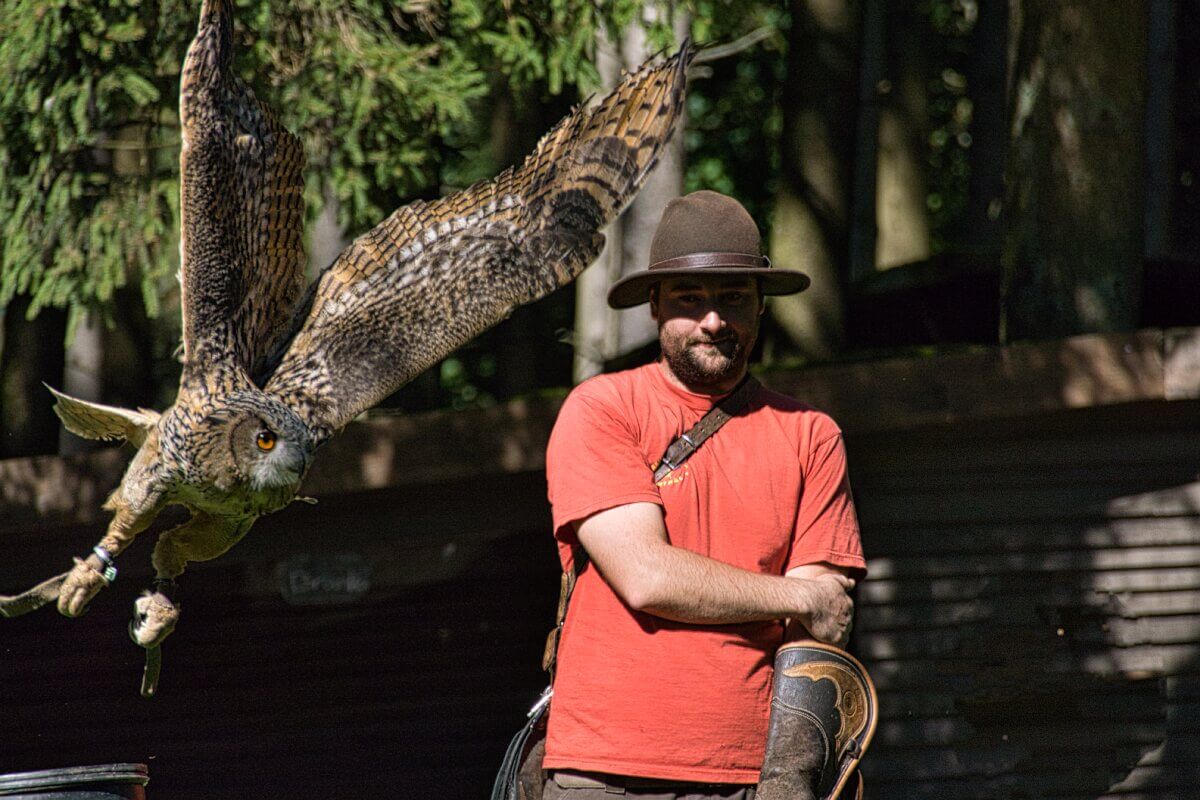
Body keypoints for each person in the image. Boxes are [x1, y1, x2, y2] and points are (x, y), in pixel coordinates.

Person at [541, 190, 868, 800]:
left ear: (761, 307)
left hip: (748, 780)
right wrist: (796, 594)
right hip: (603, 772)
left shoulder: (811, 437)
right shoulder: (602, 410)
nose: (713, 320)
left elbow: (814, 634)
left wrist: (790, 777)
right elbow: (647, 577)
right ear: (655, 304)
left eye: (733, 298)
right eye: (690, 299)